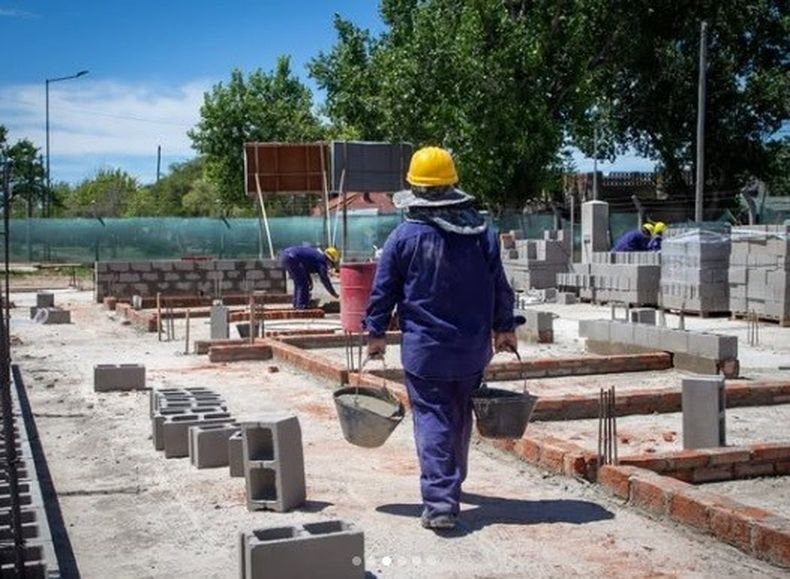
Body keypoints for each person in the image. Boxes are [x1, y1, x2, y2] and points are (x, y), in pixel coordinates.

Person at [363, 146, 517, 531]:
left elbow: (383, 292)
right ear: (452, 185)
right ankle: (453, 479)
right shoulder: (483, 235)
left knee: (432, 419)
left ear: (415, 188)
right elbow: (500, 286)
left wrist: (376, 334)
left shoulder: (403, 238)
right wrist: (505, 328)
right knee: (460, 414)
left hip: (425, 352)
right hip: (471, 350)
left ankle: (440, 503)